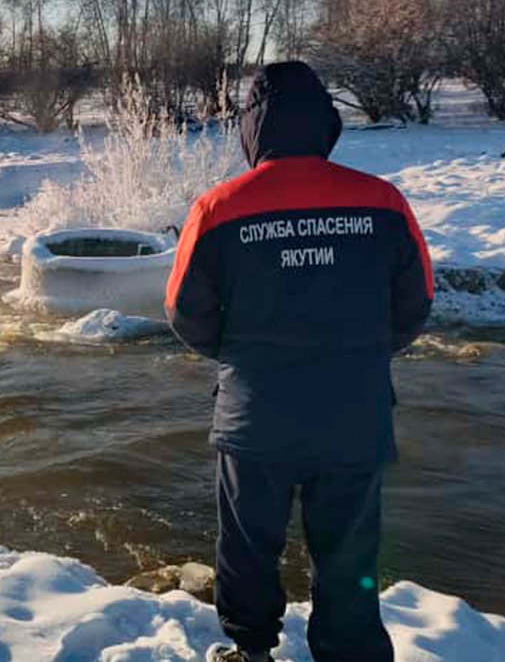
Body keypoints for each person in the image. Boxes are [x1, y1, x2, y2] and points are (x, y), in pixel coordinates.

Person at [164, 61, 433, 662]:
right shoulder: (382, 202)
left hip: (254, 418)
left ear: (251, 128)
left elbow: (184, 311)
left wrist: (241, 354)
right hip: (354, 418)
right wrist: (358, 354)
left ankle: (252, 651)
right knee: (350, 555)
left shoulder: (218, 207)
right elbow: (416, 306)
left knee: (248, 550)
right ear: (326, 125)